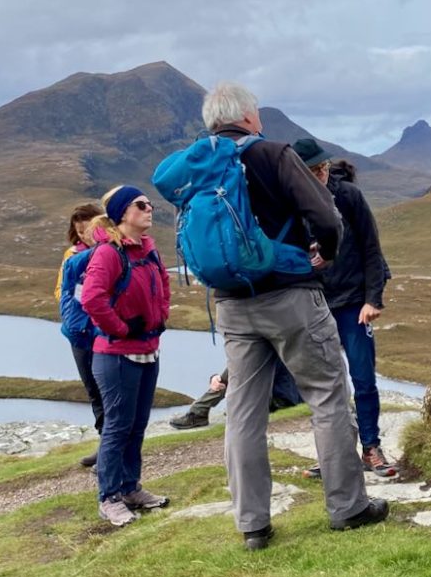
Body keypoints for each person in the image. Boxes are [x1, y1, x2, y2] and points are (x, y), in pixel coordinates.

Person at [198, 81, 387, 550]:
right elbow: (325, 213)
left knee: (242, 411)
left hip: (231, 303)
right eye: (256, 111)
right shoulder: (272, 154)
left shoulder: (200, 162)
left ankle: (253, 526)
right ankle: (348, 507)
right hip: (289, 294)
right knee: (327, 395)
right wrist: (325, 249)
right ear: (247, 117)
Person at [292, 139, 395, 479]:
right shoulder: (290, 199)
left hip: (353, 302)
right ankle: (335, 455)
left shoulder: (348, 195)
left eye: (323, 168)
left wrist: (373, 299)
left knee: (362, 378)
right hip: (315, 302)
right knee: (326, 385)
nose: (321, 175)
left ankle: (370, 448)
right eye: (313, 171)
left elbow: (371, 247)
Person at [80, 185, 171, 526]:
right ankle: (109, 497)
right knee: (118, 427)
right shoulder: (107, 253)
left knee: (137, 425)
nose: (149, 208)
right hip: (117, 355)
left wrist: (159, 317)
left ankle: (131, 488)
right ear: (122, 214)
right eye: (141, 204)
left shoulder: (149, 250)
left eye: (149, 203)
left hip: (148, 350)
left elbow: (163, 285)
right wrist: (119, 328)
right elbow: (92, 299)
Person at [57, 203, 108, 468]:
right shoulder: (71, 255)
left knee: (109, 390)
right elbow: (61, 291)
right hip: (79, 333)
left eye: (87, 229)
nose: (84, 236)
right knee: (93, 390)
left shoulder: (110, 252)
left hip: (103, 332)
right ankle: (104, 444)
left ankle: (112, 448)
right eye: (78, 231)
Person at [168, 361, 303, 429]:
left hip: (281, 399)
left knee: (240, 366)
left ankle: (198, 412)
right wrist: (217, 379)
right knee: (238, 366)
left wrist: (224, 381)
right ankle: (199, 411)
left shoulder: (272, 345)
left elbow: (244, 371)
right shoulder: (272, 340)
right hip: (274, 396)